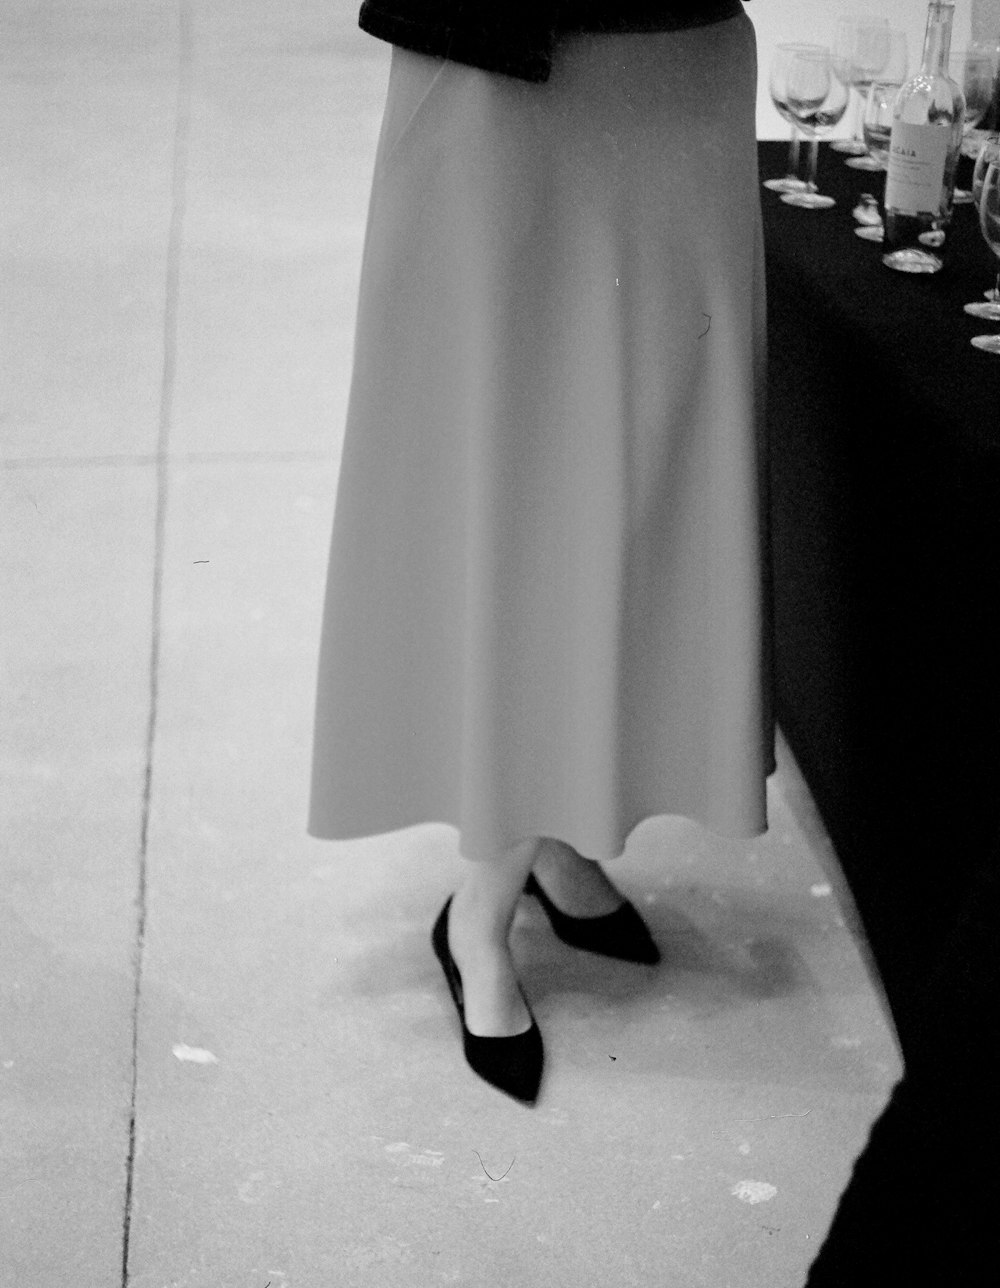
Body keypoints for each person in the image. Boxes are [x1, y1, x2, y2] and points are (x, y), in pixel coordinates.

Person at [308, 0, 773, 1104]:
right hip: (507, 68)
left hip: (676, 61)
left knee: (650, 477)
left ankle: (552, 824)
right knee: (516, 482)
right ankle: (484, 899)